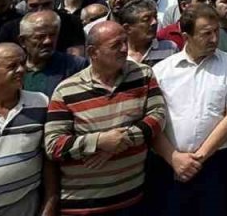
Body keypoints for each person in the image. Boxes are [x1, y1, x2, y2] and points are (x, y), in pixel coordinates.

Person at [44, 21, 165, 215]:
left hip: (133, 200)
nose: (125, 49)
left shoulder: (142, 75)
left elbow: (157, 117)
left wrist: (119, 141)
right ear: (93, 52)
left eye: (125, 42)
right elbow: (53, 146)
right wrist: (99, 141)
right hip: (83, 206)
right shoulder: (66, 91)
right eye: (116, 45)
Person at [151, 3, 227, 216]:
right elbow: (153, 121)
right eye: (206, 33)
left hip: (216, 163)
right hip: (171, 164)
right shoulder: (162, 71)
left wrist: (198, 158)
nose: (213, 39)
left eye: (216, 31)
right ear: (186, 36)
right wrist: (174, 158)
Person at [0, 42, 57, 216]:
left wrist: (50, 202)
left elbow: (48, 158)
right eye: (12, 66)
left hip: (25, 206)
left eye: (22, 63)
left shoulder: (40, 103)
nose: (21, 70)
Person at [18, 12, 87, 99]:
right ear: (23, 41)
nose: (48, 41)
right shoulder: (14, 69)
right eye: (40, 37)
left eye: (52, 35)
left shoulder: (75, 66)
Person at [117, 0, 178, 65]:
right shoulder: (117, 52)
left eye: (155, 17)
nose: (154, 22)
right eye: (146, 19)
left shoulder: (169, 48)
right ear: (127, 28)